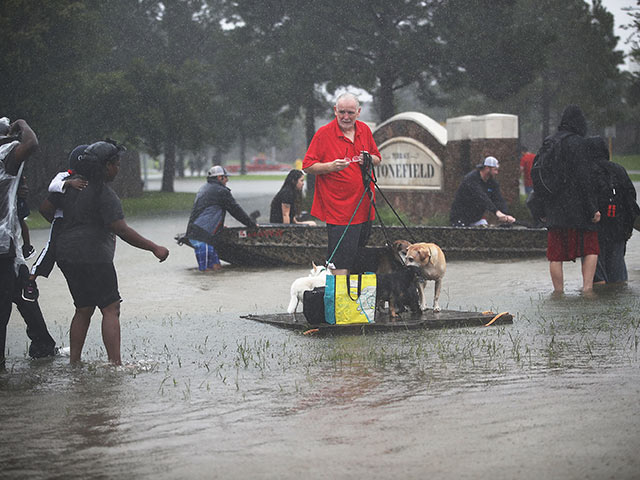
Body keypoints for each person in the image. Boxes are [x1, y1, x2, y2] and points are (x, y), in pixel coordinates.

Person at [41, 140, 169, 365]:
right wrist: (154, 248)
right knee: (111, 308)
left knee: (83, 308)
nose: (118, 169)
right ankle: (115, 364)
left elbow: (45, 210)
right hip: (94, 256)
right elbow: (121, 229)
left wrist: (70, 225)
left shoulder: (69, 187)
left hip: (66, 255)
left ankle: (75, 362)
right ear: (105, 166)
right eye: (116, 164)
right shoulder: (105, 194)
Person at [302, 92, 381, 274]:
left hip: (364, 206)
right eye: (342, 112)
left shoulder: (364, 131)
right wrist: (330, 166)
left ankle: (357, 298)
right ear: (335, 111)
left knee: (358, 257)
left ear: (359, 112)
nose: (346, 117)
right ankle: (339, 300)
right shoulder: (323, 134)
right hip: (339, 211)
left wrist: (368, 159)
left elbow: (377, 158)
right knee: (340, 260)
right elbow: (307, 166)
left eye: (350, 113)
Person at [1, 117, 57, 368]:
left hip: (10, 247)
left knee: (26, 292)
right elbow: (32, 143)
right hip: (3, 249)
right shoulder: (5, 158)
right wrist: (21, 123)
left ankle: (43, 345)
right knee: (6, 304)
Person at [537, 105, 600, 293]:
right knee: (590, 248)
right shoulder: (580, 143)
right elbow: (584, 179)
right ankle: (587, 288)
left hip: (555, 207)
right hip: (578, 208)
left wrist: (542, 209)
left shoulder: (549, 142)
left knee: (555, 254)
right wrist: (592, 208)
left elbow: (540, 176)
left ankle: (558, 291)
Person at [22, 145, 88, 302]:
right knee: (51, 248)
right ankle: (31, 278)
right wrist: (69, 184)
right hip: (60, 220)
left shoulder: (92, 182)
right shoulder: (65, 178)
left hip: (77, 228)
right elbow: (51, 193)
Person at [185, 165, 258, 272]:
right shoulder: (221, 191)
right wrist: (251, 224)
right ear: (220, 177)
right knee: (205, 272)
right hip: (202, 237)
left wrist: (218, 225)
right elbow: (236, 211)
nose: (227, 179)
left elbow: (207, 211)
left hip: (198, 233)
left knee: (216, 269)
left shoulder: (205, 188)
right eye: (225, 177)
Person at [587, 136, 640, 284]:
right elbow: (630, 199)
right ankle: (617, 293)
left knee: (596, 268)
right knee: (617, 268)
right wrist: (628, 227)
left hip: (595, 227)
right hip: (618, 226)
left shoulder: (587, 172)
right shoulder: (619, 170)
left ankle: (600, 294)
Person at [449, 156, 516, 227]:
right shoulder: (471, 179)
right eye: (495, 170)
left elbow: (498, 200)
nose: (497, 172)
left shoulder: (492, 183)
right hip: (460, 218)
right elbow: (481, 197)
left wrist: (506, 215)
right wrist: (496, 212)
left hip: (476, 219)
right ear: (487, 168)